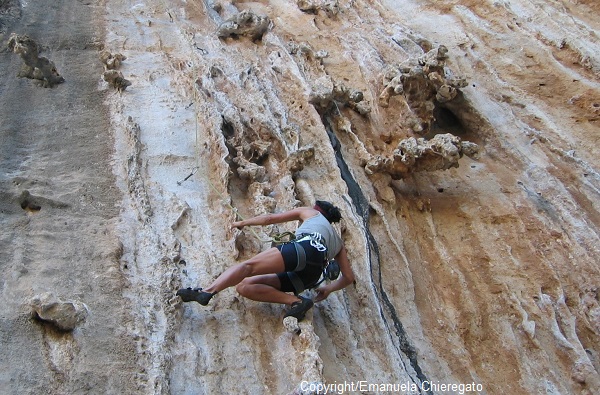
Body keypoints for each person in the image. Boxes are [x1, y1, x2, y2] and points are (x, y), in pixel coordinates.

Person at [176, 200, 355, 320]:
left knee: (248, 267)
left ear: (318, 210)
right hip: (311, 275)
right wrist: (328, 289)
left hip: (304, 249)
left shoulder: (310, 213)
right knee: (244, 286)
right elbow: (348, 277)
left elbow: (270, 218)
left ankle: (207, 291)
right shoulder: (338, 243)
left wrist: (242, 223)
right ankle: (297, 302)